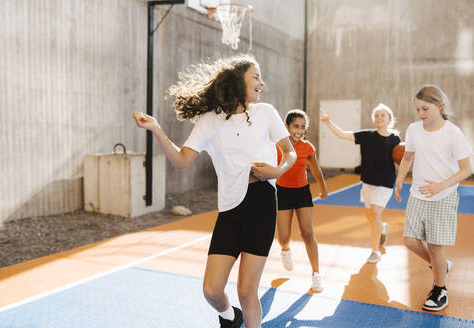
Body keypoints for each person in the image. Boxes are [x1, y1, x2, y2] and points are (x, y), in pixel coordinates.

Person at [133, 54, 296, 328]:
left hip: (261, 203)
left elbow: (289, 153)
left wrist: (276, 171)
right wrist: (157, 130)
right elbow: (182, 160)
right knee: (211, 290)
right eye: (255, 77)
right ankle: (230, 317)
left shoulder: (266, 112)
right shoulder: (210, 121)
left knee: (246, 291)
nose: (261, 83)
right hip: (230, 208)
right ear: (237, 80)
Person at [395, 84, 472, 312]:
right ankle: (442, 267)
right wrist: (400, 179)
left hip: (443, 196)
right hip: (417, 194)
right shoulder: (413, 129)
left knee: (435, 246)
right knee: (410, 241)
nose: (421, 114)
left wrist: (442, 185)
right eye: (418, 109)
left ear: (440, 106)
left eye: (425, 108)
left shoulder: (453, 133)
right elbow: (408, 158)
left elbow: (467, 169)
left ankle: (440, 290)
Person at [320, 104, 401, 263]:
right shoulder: (367, 135)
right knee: (370, 216)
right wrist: (328, 122)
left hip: (385, 182)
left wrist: (400, 180)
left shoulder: (395, 140)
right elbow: (343, 135)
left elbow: (402, 159)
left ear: (390, 119)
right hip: (368, 181)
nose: (379, 118)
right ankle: (382, 228)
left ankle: (375, 251)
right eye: (376, 115)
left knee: (376, 213)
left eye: (382, 115)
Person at [275, 109, 328, 291]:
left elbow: (316, 170)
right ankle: (285, 250)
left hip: (302, 192)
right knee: (283, 237)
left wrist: (323, 188)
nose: (299, 131)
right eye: (295, 126)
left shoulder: (307, 147)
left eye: (303, 127)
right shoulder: (278, 146)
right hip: (282, 192)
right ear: (286, 127)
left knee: (307, 233)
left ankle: (316, 274)